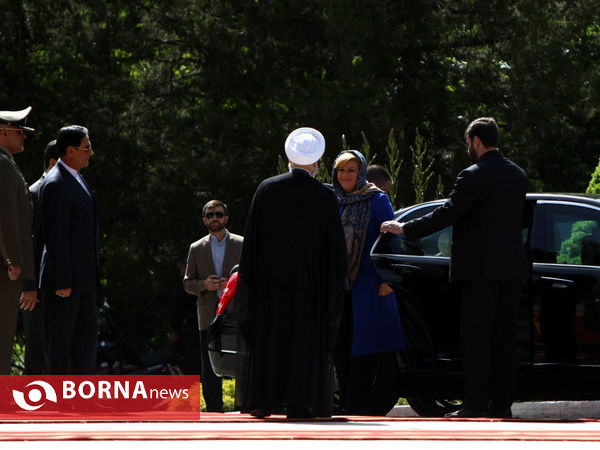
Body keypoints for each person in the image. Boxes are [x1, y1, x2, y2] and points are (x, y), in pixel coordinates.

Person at [380, 117, 528, 418]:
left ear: (475, 140)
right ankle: (502, 406)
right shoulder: (518, 174)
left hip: (478, 271)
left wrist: (405, 228)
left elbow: (448, 212)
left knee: (475, 341)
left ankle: (475, 405)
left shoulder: (472, 175)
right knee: (503, 341)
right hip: (512, 270)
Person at [234, 127, 347, 419]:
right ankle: (301, 401)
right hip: (310, 289)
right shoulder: (324, 196)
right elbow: (336, 250)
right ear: (316, 163)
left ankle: (265, 399)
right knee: (304, 345)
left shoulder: (267, 189)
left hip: (270, 287)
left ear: (289, 159)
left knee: (271, 342)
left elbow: (252, 243)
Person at [332, 150, 405, 415]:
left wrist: (388, 278)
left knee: (366, 348)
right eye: (341, 170)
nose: (345, 175)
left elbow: (392, 240)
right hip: (339, 288)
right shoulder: (332, 200)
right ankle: (347, 403)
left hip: (370, 285)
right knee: (341, 346)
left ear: (361, 172)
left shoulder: (377, 199)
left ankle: (360, 405)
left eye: (351, 170)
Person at [40, 125, 99, 374]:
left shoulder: (76, 177)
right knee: (62, 347)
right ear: (70, 151)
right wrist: (63, 281)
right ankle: (61, 407)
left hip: (83, 280)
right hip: (65, 284)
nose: (91, 152)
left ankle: (79, 403)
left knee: (84, 347)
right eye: (87, 147)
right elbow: (56, 237)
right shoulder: (55, 183)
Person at [184, 200, 243, 412]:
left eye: (218, 214)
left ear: (226, 218)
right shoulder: (196, 248)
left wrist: (235, 284)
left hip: (237, 312)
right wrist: (204, 285)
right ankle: (214, 410)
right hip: (208, 313)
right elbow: (187, 282)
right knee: (208, 364)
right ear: (204, 220)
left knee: (242, 359)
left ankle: (244, 406)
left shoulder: (242, 244)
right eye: (210, 215)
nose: (214, 218)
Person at [0, 106, 35, 374]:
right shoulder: (2, 165)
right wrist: (13, 259)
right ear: (2, 133)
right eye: (18, 131)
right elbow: (5, 218)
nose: (23, 136)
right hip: (4, 270)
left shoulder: (6, 164)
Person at [20, 140, 58, 374]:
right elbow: (28, 244)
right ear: (53, 163)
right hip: (37, 289)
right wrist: (30, 285)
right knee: (38, 350)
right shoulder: (34, 193)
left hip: (59, 286)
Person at [170, 258, 202, 375]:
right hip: (207, 328)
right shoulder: (204, 283)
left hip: (193, 331)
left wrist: (175, 330)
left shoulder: (185, 286)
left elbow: (178, 311)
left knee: (193, 366)